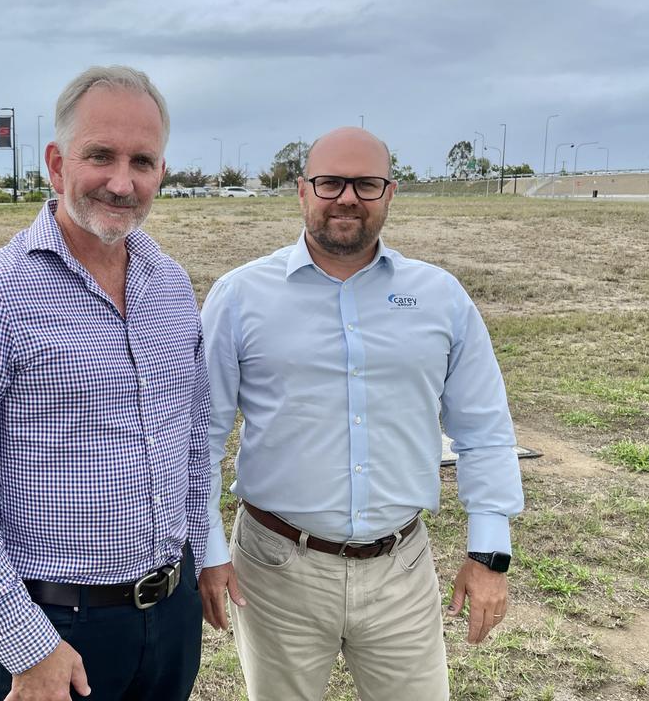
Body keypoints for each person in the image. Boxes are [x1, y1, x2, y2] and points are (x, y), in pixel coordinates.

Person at [0, 65, 210, 701]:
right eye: (100, 155)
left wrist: (195, 565)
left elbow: (191, 444)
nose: (122, 181)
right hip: (59, 630)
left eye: (143, 160)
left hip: (171, 614)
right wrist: (27, 645)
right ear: (56, 163)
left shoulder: (171, 287)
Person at [198, 126, 525, 701]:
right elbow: (200, 436)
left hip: (401, 568)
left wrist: (489, 551)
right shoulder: (240, 297)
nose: (347, 197)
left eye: (366, 184)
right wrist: (209, 551)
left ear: (390, 194)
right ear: (302, 191)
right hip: (276, 570)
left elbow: (484, 429)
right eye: (330, 182)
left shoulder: (440, 297)